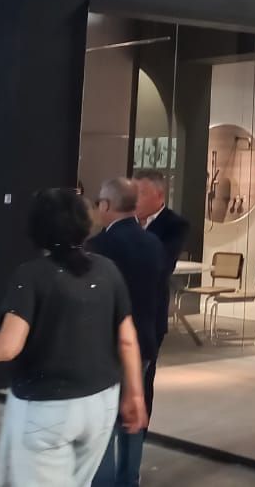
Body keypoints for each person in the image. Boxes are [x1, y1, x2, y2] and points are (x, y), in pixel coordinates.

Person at [0, 188, 146, 487]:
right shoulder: (107, 270)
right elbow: (127, 339)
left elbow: (7, 346)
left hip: (47, 407)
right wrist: (135, 394)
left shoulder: (31, 276)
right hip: (102, 403)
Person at [89, 178, 167, 487]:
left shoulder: (99, 247)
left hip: (107, 346)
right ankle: (129, 479)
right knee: (134, 414)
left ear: (107, 205)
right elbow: (160, 298)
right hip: (144, 342)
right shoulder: (153, 243)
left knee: (104, 420)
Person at [134, 169, 189, 277]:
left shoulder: (176, 225)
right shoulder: (122, 219)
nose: (133, 199)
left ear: (160, 196)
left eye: (141, 193)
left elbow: (162, 263)